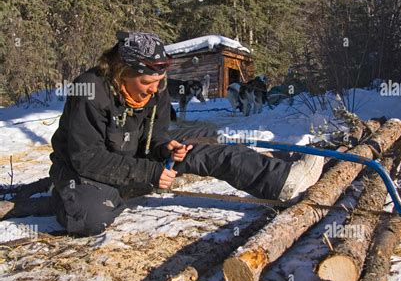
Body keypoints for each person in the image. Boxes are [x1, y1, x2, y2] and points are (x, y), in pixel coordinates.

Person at [49, 31, 324, 236]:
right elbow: (87, 158)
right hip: (83, 168)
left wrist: (166, 148)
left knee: (203, 143)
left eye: (158, 82)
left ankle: (279, 180)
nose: (154, 89)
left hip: (133, 157)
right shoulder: (90, 89)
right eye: (147, 82)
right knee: (92, 218)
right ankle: (64, 194)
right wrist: (149, 174)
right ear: (122, 72)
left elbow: (155, 137)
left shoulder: (156, 89)